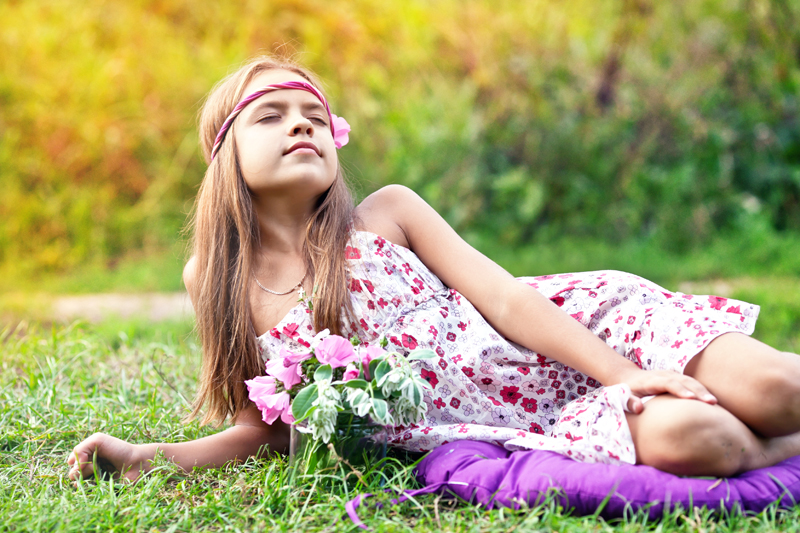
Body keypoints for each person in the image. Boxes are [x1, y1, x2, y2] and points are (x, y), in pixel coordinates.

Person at [68, 55, 800, 483]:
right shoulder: (214, 278)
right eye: (272, 115)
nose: (301, 123)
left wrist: (623, 372)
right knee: (698, 441)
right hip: (526, 418)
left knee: (777, 388)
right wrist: (142, 457)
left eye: (315, 115)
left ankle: (745, 398)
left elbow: (508, 301)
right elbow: (260, 429)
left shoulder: (387, 213)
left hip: (589, 335)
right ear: (223, 154)